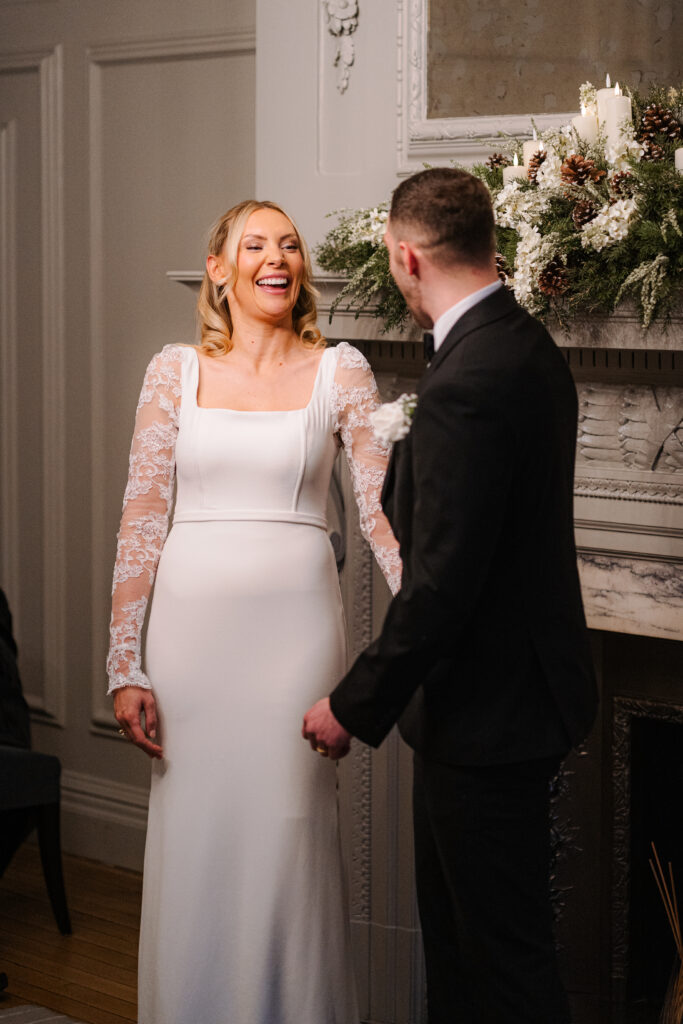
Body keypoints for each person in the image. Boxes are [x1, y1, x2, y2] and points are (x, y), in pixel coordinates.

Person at [303, 167, 598, 1024]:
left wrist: (351, 706)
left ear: (403, 256)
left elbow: (440, 588)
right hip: (517, 698)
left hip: (486, 715)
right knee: (472, 955)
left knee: (495, 964)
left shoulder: (468, 380)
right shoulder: (525, 343)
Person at [107, 199, 400, 1024]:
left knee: (286, 836)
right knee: (198, 844)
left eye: (290, 245)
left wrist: (432, 620)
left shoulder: (341, 369)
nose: (278, 258)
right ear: (219, 267)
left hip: (293, 640)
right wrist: (124, 661)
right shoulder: (173, 370)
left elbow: (379, 514)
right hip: (189, 642)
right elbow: (140, 520)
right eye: (256, 244)